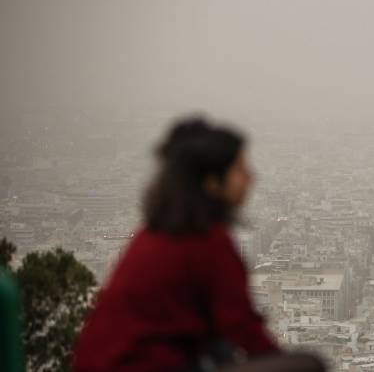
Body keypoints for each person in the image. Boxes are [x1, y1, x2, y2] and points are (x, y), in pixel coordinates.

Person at [72, 118, 324, 372]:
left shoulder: (158, 232)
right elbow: (242, 326)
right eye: (239, 169)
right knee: (307, 365)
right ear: (212, 183)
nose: (250, 178)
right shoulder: (205, 240)